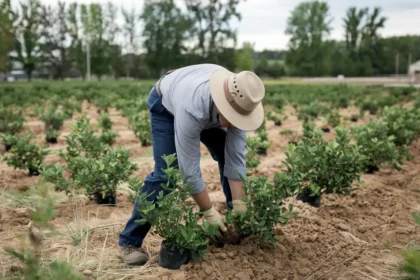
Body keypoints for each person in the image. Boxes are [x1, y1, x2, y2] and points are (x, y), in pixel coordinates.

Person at [118, 64, 265, 265]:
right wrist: (208, 212)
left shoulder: (242, 99)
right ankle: (130, 242)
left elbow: (235, 160)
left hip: (198, 100)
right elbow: (190, 171)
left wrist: (241, 205)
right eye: (231, 117)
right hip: (166, 105)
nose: (233, 123)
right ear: (223, 104)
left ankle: (236, 225)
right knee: (167, 173)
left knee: (225, 152)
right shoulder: (192, 106)